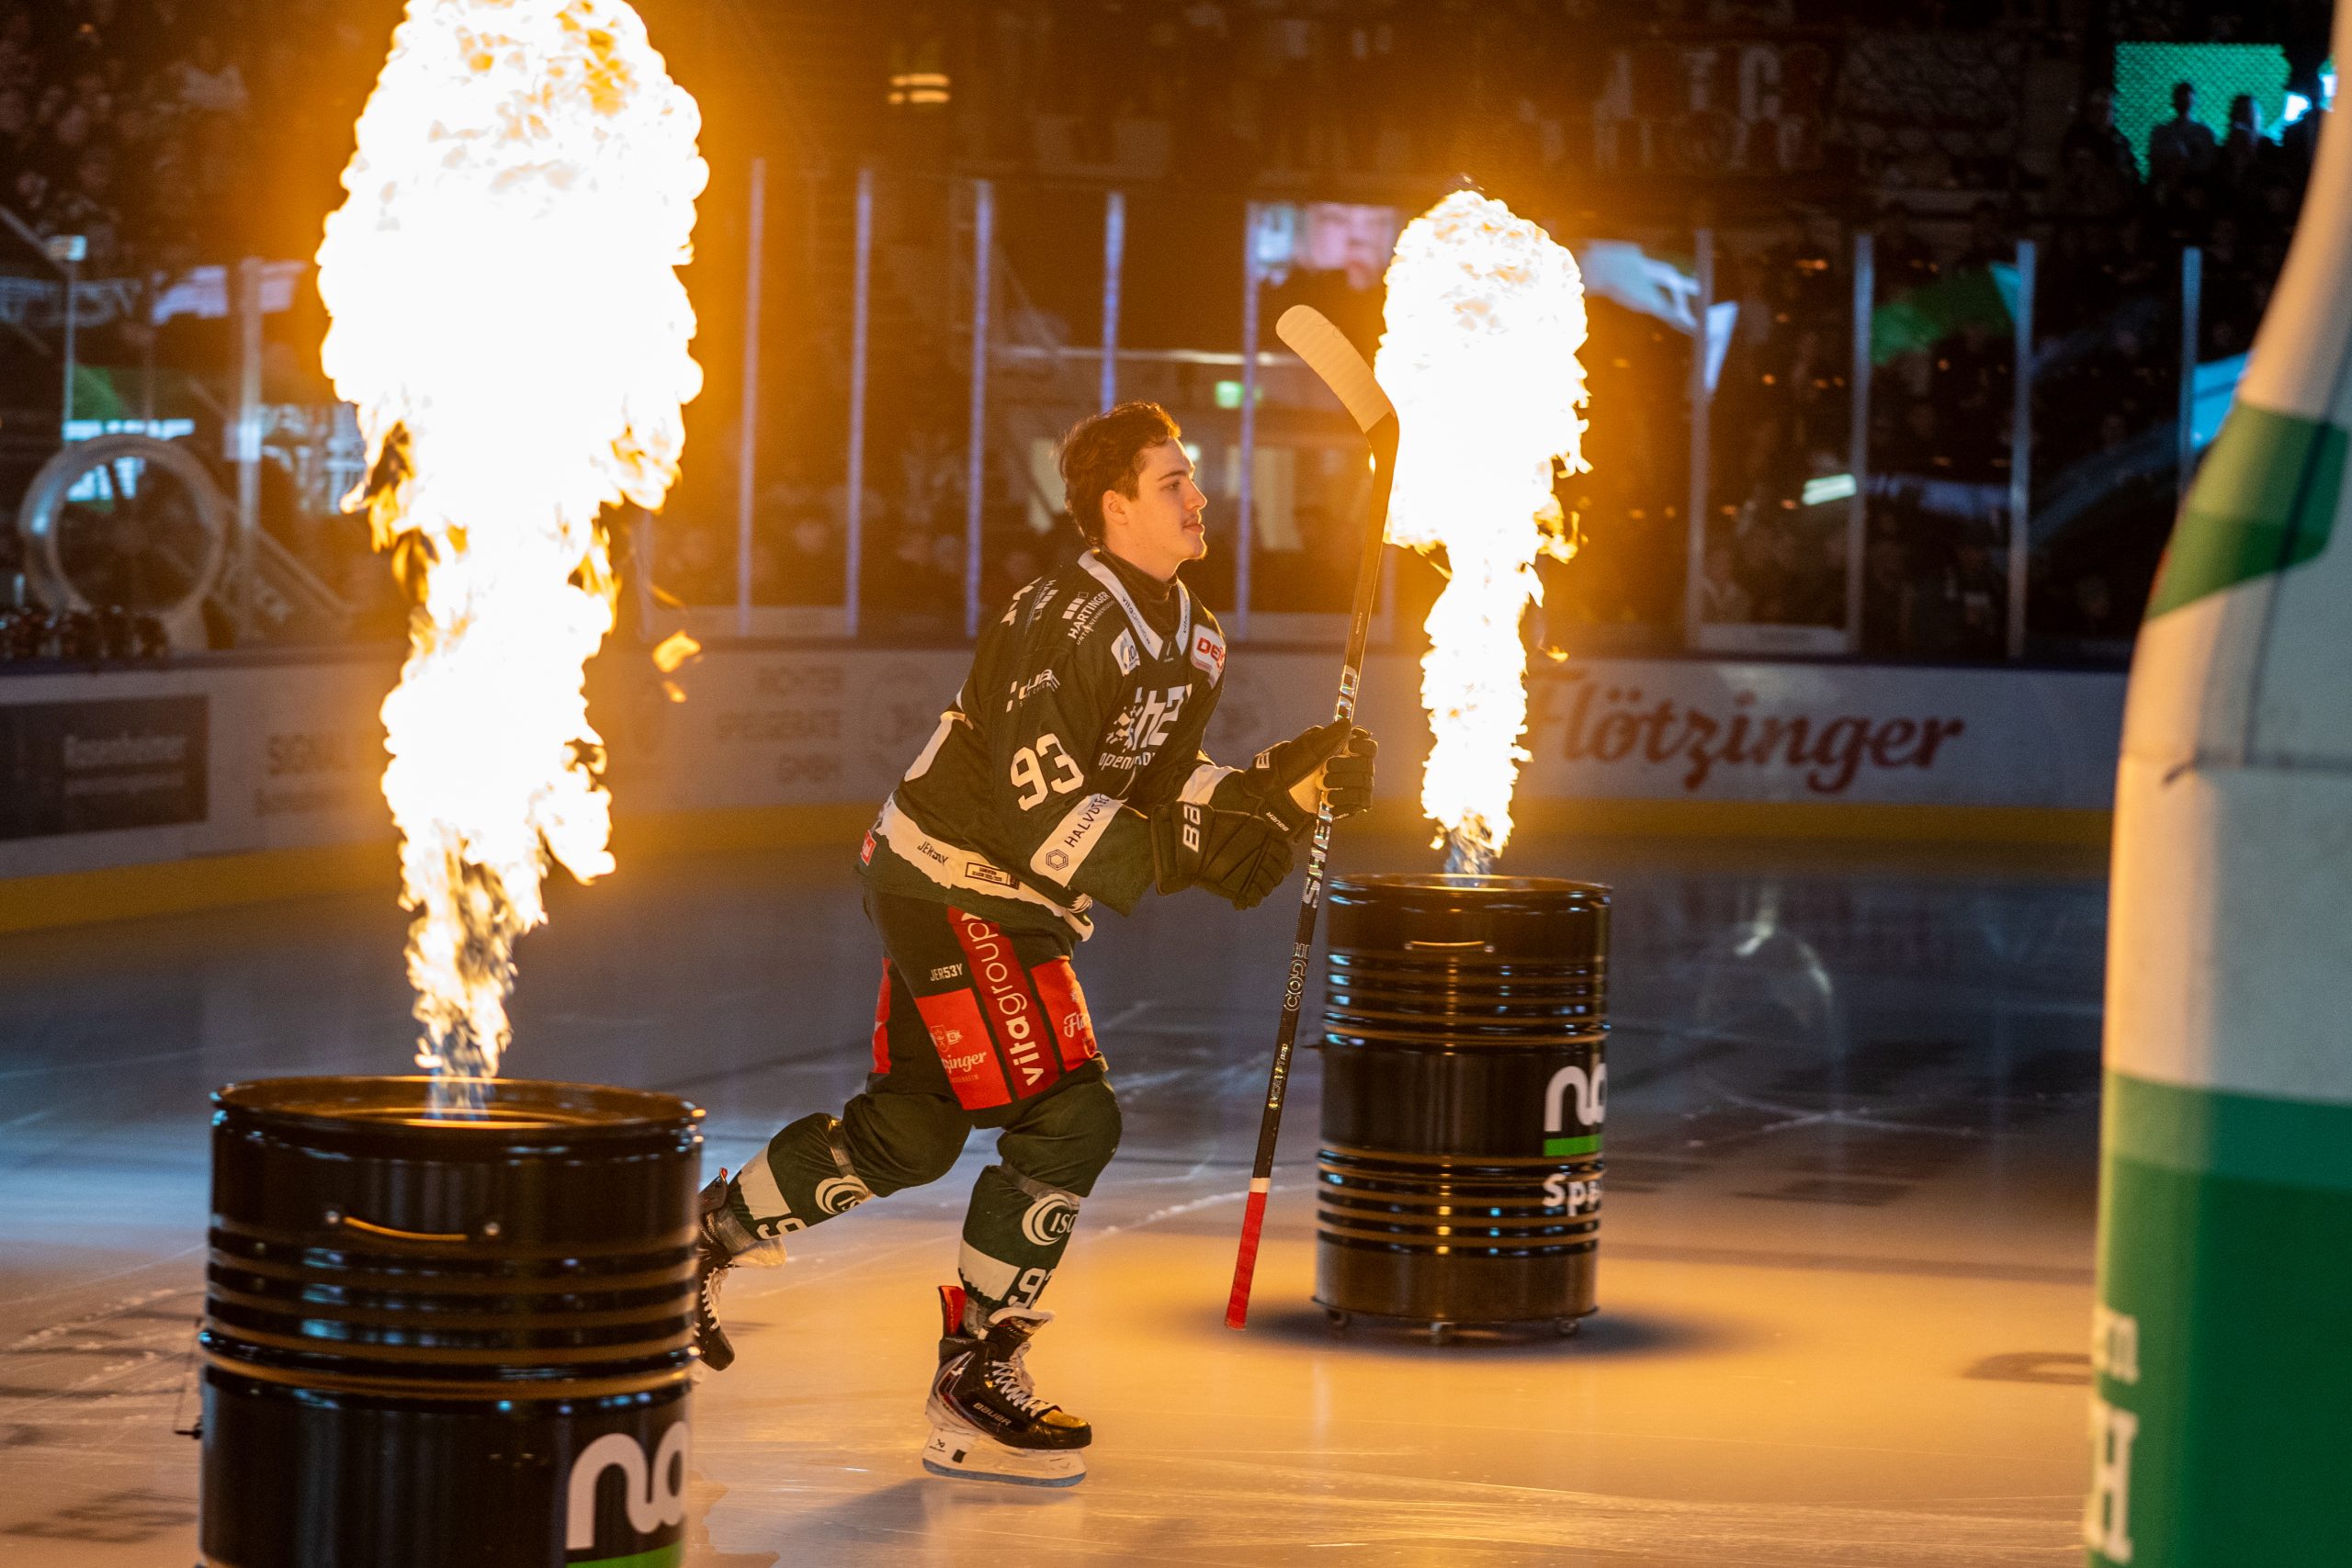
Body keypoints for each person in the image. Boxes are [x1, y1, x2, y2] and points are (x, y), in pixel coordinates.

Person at [689, 401, 1376, 1487]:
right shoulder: (1062, 619)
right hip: (954, 881)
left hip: (997, 896)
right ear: (1114, 508)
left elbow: (1156, 785)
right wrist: (1208, 845)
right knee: (1070, 1115)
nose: (1198, 497)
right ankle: (972, 1379)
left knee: (913, 1131)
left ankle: (705, 1240)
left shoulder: (1194, 632)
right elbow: (1040, 814)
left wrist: (1274, 791)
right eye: (1172, 481)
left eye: (1190, 478)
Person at [2147, 80, 2216, 191]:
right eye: (2181, 98)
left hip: (2195, 189)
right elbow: (2155, 165)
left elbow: (2208, 165)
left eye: (2186, 98)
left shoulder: (2205, 133)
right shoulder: (2161, 133)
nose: (2184, 101)